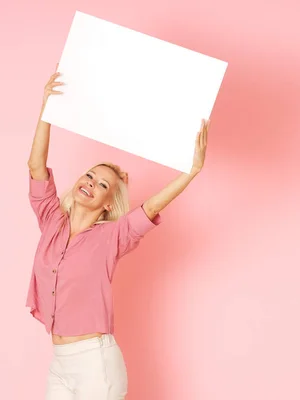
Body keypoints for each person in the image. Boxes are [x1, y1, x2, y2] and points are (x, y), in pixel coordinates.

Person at [26, 68, 210, 400]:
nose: (90, 183)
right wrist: (46, 112)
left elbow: (151, 206)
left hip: (95, 363)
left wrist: (192, 171)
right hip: (60, 364)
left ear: (109, 204)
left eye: (102, 185)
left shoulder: (113, 237)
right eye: (90, 176)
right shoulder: (52, 220)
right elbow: (36, 167)